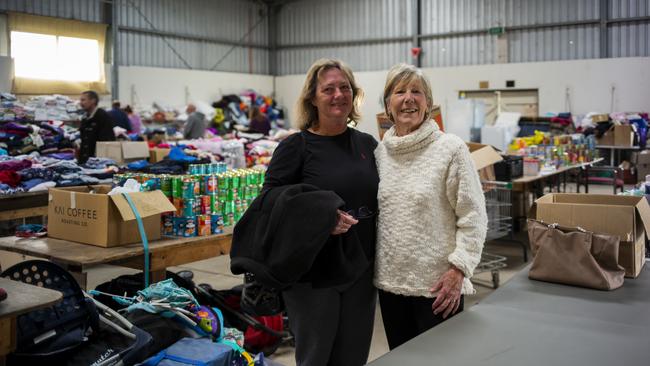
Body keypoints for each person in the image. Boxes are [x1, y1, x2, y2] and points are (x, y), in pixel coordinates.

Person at [262, 58, 378, 366]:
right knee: (316, 358)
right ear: (312, 97)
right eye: (328, 89)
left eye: (344, 87)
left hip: (360, 272)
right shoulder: (296, 147)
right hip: (313, 276)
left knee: (353, 358)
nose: (338, 95)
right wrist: (320, 218)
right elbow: (269, 203)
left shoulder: (367, 144)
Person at [374, 63, 487, 350]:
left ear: (428, 103)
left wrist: (459, 269)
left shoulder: (451, 149)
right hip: (390, 287)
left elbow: (474, 216)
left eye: (417, 92)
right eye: (400, 91)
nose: (408, 98)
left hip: (438, 289)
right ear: (388, 104)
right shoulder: (379, 154)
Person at [78, 90, 115, 165]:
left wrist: (101, 161)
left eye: (83, 100)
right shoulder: (85, 118)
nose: (81, 103)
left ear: (93, 101)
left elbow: (107, 140)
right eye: (80, 100)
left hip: (99, 162)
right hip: (85, 160)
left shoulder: (103, 116)